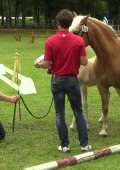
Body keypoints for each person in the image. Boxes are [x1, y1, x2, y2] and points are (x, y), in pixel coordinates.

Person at [34, 9, 91, 153]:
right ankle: (84, 144)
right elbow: (84, 62)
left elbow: (47, 64)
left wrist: (39, 65)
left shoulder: (50, 41)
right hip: (72, 80)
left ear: (58, 23)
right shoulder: (79, 40)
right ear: (71, 23)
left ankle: (64, 145)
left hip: (57, 80)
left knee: (60, 113)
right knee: (78, 112)